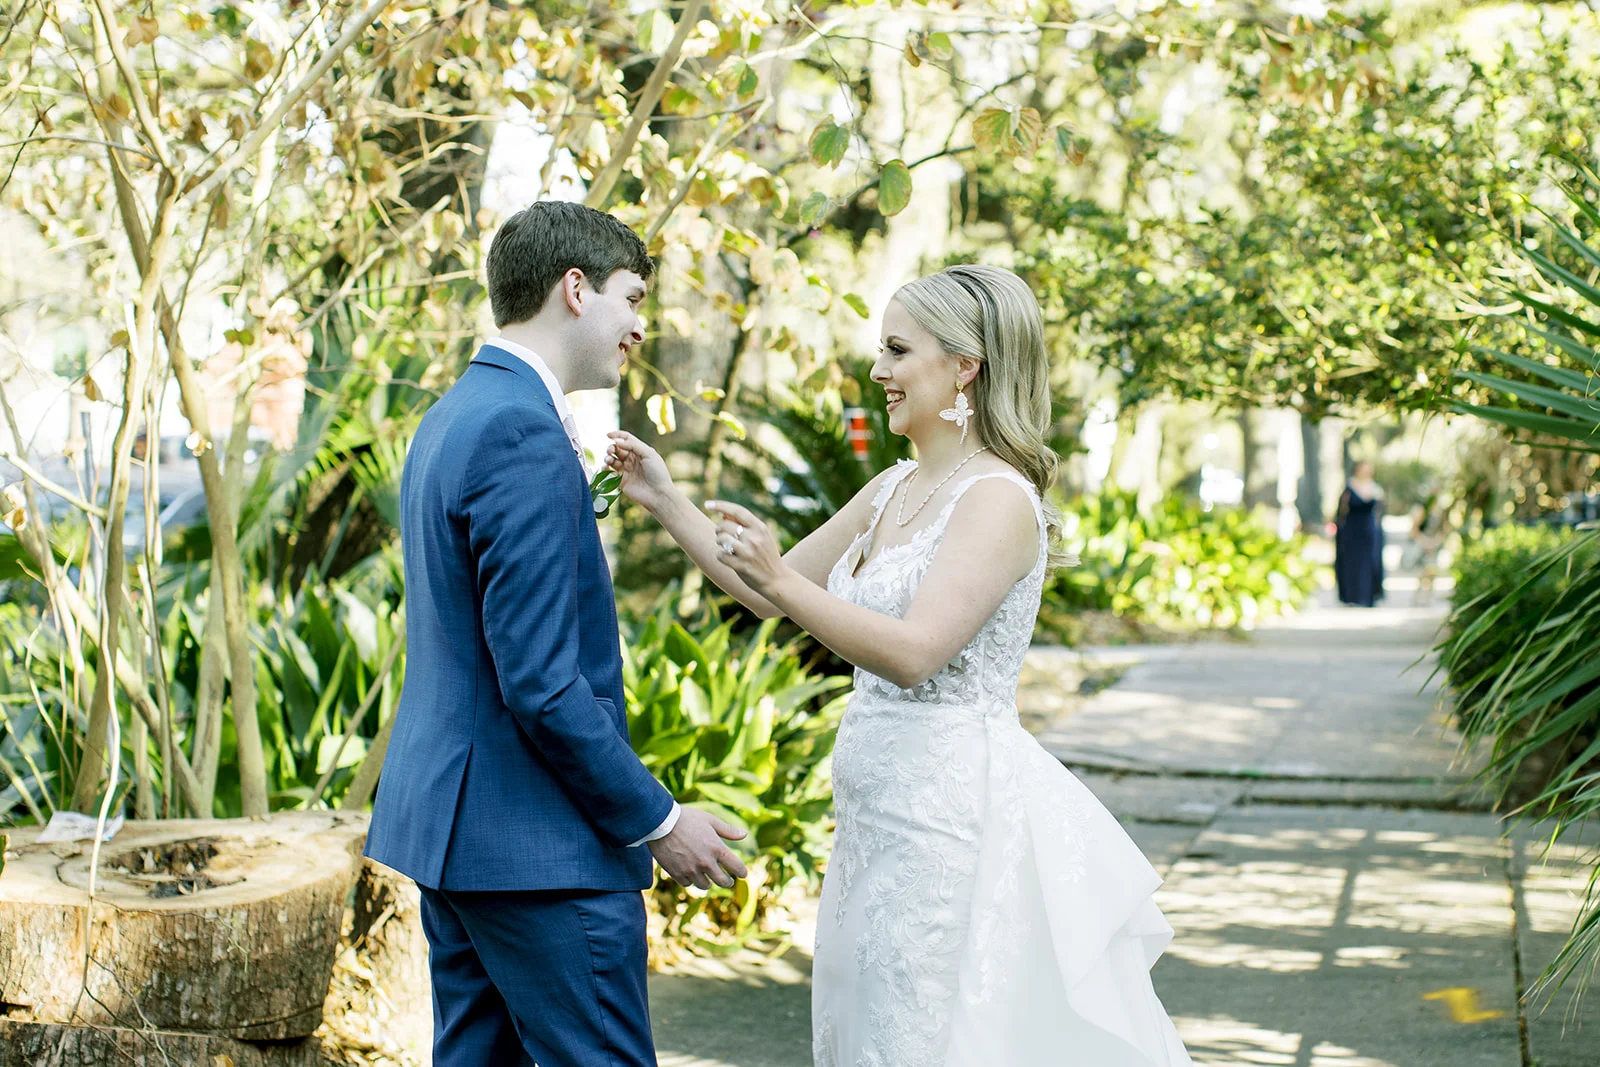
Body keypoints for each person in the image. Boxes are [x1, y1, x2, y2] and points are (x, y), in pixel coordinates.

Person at [607, 265, 1193, 1065]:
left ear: (965, 366)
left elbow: (917, 652)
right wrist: (665, 498)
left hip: (951, 823)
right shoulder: (891, 487)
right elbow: (768, 595)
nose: (877, 370)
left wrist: (781, 577)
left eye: (897, 350)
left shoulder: (997, 498)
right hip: (873, 825)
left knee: (929, 1032)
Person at [364, 202, 747, 1067]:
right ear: (575, 289)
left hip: (461, 843)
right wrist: (658, 820)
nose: (640, 326)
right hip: (542, 854)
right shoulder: (520, 433)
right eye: (632, 297)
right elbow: (539, 681)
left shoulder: (455, 414)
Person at [1334, 461, 1385, 607]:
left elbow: (1380, 511)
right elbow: (1342, 510)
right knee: (1352, 562)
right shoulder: (1349, 487)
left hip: (1369, 531)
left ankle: (1367, 596)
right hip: (1352, 530)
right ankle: (1352, 596)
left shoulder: (1375, 488)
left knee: (1368, 563)